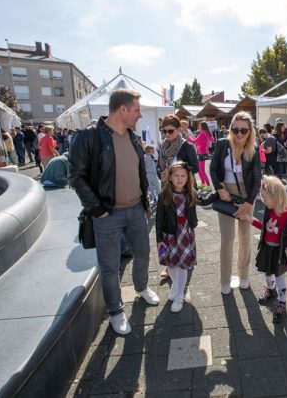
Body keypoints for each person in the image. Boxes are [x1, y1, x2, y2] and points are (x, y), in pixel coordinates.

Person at [69, 88, 159, 336]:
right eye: (137, 110)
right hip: (107, 214)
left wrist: (144, 204)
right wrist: (97, 208)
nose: (140, 115)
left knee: (143, 254)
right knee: (110, 266)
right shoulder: (89, 137)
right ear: (123, 109)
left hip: (136, 210)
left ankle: (141, 288)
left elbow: (138, 172)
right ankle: (116, 311)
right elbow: (75, 176)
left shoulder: (133, 137)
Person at [210, 111, 262, 294]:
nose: (239, 133)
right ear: (231, 129)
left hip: (247, 196)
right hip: (226, 196)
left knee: (245, 237)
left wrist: (248, 203)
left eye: (243, 130)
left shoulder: (254, 149)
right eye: (235, 129)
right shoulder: (222, 144)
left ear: (250, 131)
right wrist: (220, 189)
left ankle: (243, 276)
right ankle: (225, 280)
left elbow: (257, 179)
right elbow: (213, 169)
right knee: (227, 239)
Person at [240, 175, 287, 323]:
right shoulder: (268, 210)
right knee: (267, 272)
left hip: (280, 252)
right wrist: (249, 219)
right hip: (267, 248)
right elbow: (264, 227)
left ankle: (282, 302)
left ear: (276, 196)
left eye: (265, 198)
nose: (263, 201)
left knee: (279, 277)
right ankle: (270, 291)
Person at [156, 161, 198, 313]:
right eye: (176, 176)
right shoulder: (164, 195)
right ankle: (175, 284)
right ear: (170, 177)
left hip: (186, 234)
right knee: (171, 264)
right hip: (169, 235)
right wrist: (159, 240)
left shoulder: (191, 193)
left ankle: (180, 294)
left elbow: (202, 203)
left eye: (183, 176)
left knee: (183, 265)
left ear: (188, 177)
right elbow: (159, 219)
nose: (180, 179)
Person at [158, 115, 199, 184]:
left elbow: (195, 168)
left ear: (178, 129)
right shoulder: (162, 146)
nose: (167, 134)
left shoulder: (187, 146)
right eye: (164, 131)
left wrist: (173, 170)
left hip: (185, 187)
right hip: (167, 186)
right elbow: (158, 167)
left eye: (170, 131)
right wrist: (160, 175)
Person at [188, 121, 215, 190]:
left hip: (201, 153)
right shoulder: (206, 132)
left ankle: (208, 185)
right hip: (203, 152)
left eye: (199, 126)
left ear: (202, 126)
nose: (198, 127)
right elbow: (212, 140)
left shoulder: (203, 132)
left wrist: (188, 137)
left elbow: (194, 141)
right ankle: (203, 184)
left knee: (201, 170)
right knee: (200, 170)